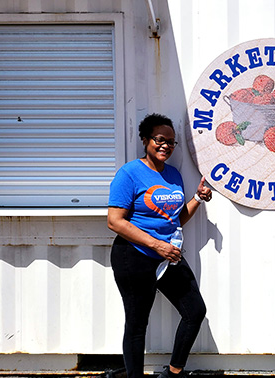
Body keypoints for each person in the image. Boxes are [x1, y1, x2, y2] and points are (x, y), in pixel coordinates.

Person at [107, 113, 212, 378]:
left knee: (195, 311)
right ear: (145, 140)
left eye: (171, 142)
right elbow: (115, 221)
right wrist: (156, 245)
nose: (166, 145)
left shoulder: (174, 175)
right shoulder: (129, 173)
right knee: (137, 322)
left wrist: (198, 198)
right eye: (159, 140)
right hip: (134, 256)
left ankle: (173, 372)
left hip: (167, 254)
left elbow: (176, 218)